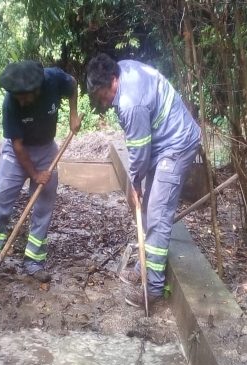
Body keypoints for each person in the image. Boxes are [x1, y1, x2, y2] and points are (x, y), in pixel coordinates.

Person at [85, 53, 201, 308]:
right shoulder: (124, 69)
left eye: (102, 94)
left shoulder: (130, 103)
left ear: (113, 81)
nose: (103, 102)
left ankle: (155, 289)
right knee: (149, 208)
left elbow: (139, 152)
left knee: (158, 213)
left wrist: (134, 184)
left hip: (176, 144)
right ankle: (143, 265)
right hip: (162, 141)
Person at [0, 60, 80, 287]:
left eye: (24, 96)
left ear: (37, 88)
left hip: (46, 149)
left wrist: (73, 114)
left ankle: (33, 260)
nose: (20, 100)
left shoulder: (53, 79)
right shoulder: (11, 103)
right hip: (16, 153)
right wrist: (35, 174)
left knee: (43, 206)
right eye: (16, 95)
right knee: (0, 201)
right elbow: (18, 146)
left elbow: (73, 85)